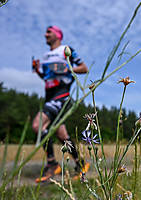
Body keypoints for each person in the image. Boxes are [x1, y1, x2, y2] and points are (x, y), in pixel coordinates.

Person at [32, 25, 89, 183]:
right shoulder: (46, 55)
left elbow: (84, 68)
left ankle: (52, 164)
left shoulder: (66, 49)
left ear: (57, 35)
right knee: (62, 135)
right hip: (49, 95)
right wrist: (38, 70)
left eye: (49, 32)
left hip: (62, 95)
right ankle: (81, 164)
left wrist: (67, 68)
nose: (45, 35)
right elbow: (47, 78)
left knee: (38, 125)